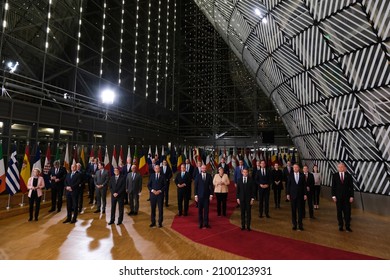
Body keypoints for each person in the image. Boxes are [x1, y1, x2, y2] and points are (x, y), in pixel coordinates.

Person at [332, 163, 354, 232]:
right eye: (339, 167)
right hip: (338, 198)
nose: (340, 168)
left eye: (342, 167)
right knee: (339, 212)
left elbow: (351, 187)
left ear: (344, 167)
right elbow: (333, 187)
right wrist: (333, 196)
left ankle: (347, 226)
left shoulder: (349, 176)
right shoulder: (335, 176)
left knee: (347, 212)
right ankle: (340, 225)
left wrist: (351, 196)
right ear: (337, 168)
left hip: (347, 198)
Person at [287, 164, 307, 231]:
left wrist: (305, 194)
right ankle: (294, 225)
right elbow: (288, 185)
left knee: (300, 211)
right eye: (294, 167)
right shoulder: (290, 175)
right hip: (293, 196)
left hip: (300, 196)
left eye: (296, 167)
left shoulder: (302, 175)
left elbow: (304, 185)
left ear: (298, 168)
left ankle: (300, 225)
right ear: (293, 168)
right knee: (293, 211)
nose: (295, 168)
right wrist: (287, 194)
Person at [194, 164, 214, 229]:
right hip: (199, 196)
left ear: (206, 169)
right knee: (200, 211)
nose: (204, 169)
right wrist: (195, 196)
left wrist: (211, 195)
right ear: (201, 169)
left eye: (205, 168)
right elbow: (195, 187)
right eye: (202, 168)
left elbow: (211, 186)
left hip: (206, 196)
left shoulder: (209, 176)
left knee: (206, 210)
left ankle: (206, 223)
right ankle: (200, 223)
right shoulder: (198, 176)